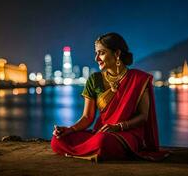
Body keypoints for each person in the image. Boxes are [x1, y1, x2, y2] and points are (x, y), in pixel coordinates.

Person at [51, 32, 169, 162]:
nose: (96, 58)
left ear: (117, 54)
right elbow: (87, 117)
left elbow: (143, 116)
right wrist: (69, 129)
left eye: (101, 53)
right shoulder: (94, 79)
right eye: (96, 53)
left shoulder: (138, 79)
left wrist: (118, 127)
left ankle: (90, 151)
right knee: (58, 140)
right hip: (102, 132)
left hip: (126, 135)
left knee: (103, 142)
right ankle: (93, 152)